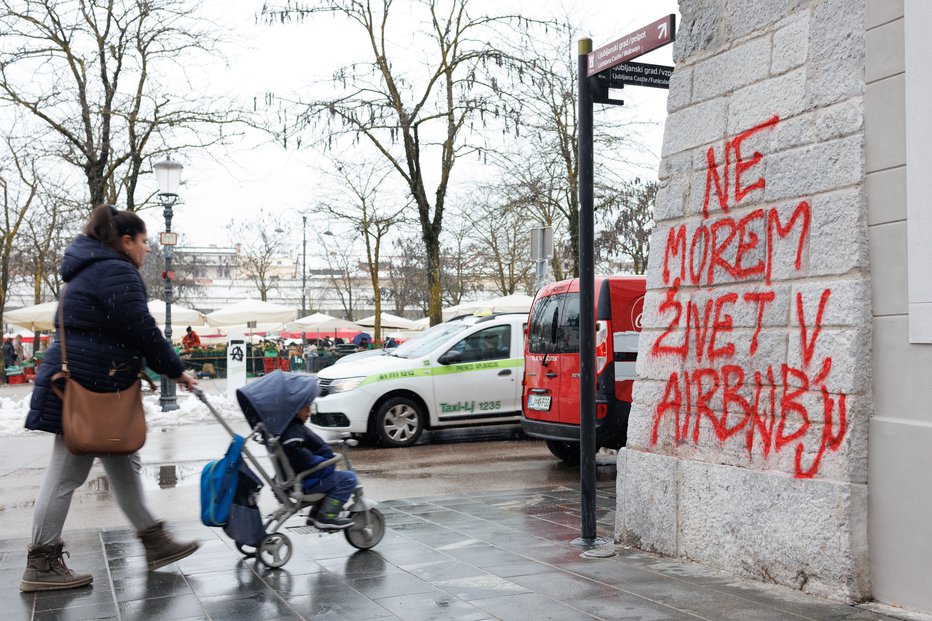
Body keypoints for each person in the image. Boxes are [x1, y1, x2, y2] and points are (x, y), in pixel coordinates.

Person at [21, 204, 199, 593]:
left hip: (92, 383)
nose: (147, 250)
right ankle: (41, 562)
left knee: (123, 462)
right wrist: (175, 368)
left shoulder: (87, 269)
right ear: (125, 241)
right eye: (144, 241)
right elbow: (142, 330)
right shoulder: (116, 270)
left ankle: (154, 541)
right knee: (66, 473)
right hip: (88, 389)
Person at [281, 399, 357, 530]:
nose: (309, 412)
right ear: (295, 410)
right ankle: (327, 516)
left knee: (334, 478)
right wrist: (323, 461)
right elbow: (301, 457)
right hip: (306, 481)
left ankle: (315, 515)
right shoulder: (294, 433)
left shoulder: (290, 428)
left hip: (305, 478)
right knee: (348, 478)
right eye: (306, 408)